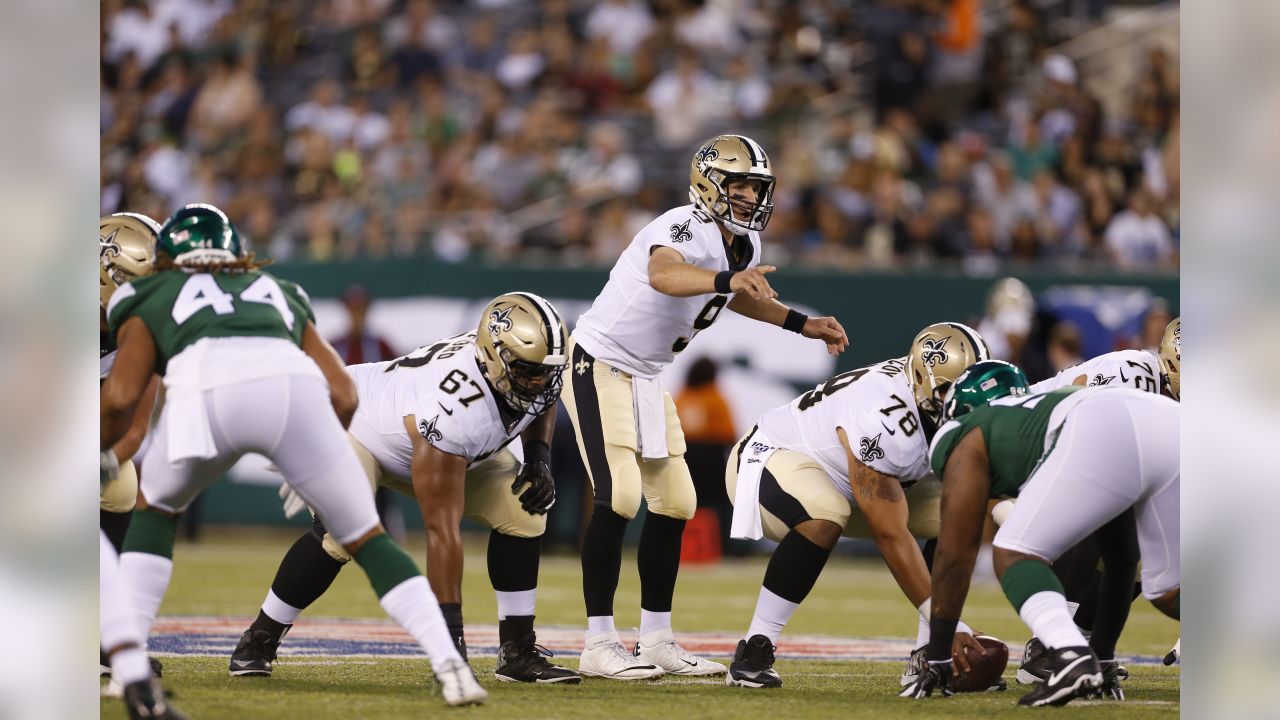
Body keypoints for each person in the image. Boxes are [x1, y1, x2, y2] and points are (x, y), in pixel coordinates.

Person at [101, 204, 486, 706]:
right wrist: (320, 456)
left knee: (154, 513)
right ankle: (451, 666)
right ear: (236, 253)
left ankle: (128, 673)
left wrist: (101, 455)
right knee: (366, 537)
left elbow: (120, 398)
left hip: (207, 396)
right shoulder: (280, 290)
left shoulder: (148, 292)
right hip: (293, 399)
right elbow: (345, 394)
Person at [563, 134, 848, 679]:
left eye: (755, 187)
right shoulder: (680, 224)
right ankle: (598, 642)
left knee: (675, 501)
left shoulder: (744, 244)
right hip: (599, 361)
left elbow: (737, 295)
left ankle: (656, 638)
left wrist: (800, 323)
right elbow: (664, 273)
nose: (748, 196)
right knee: (619, 497)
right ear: (708, 182)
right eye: (738, 185)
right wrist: (724, 279)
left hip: (645, 375)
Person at [232, 292, 581, 685]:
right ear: (494, 356)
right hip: (361, 429)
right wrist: (449, 644)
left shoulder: (517, 367)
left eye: (547, 371)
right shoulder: (454, 408)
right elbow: (440, 531)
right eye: (529, 372)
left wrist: (537, 456)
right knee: (340, 537)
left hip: (449, 444)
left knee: (524, 509)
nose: (540, 382)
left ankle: (517, 652)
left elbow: (542, 394)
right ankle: (258, 640)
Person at [724, 322, 990, 689]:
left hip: (847, 480)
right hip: (772, 456)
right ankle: (755, 647)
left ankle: (929, 654)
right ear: (920, 377)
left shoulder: (944, 390)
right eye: (947, 390)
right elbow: (890, 533)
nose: (959, 402)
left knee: (959, 514)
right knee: (825, 512)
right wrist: (945, 619)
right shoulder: (883, 418)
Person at [902, 361, 1179, 707]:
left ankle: (1068, 653)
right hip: (1169, 421)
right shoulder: (1041, 408)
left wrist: (939, 656)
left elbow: (955, 553)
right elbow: (1120, 559)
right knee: (1164, 589)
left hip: (1100, 426)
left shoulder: (964, 431)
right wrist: (1104, 656)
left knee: (1012, 552)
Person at [1009, 317, 1180, 687]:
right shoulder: (1132, 373)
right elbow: (1091, 453)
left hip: (1066, 459)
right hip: (1020, 444)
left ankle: (1079, 646)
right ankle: (1049, 648)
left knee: (1142, 545)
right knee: (1107, 509)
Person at [99, 211, 185, 719]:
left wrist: (98, 460)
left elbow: (133, 429)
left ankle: (106, 639)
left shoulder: (137, 324)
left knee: (120, 485)